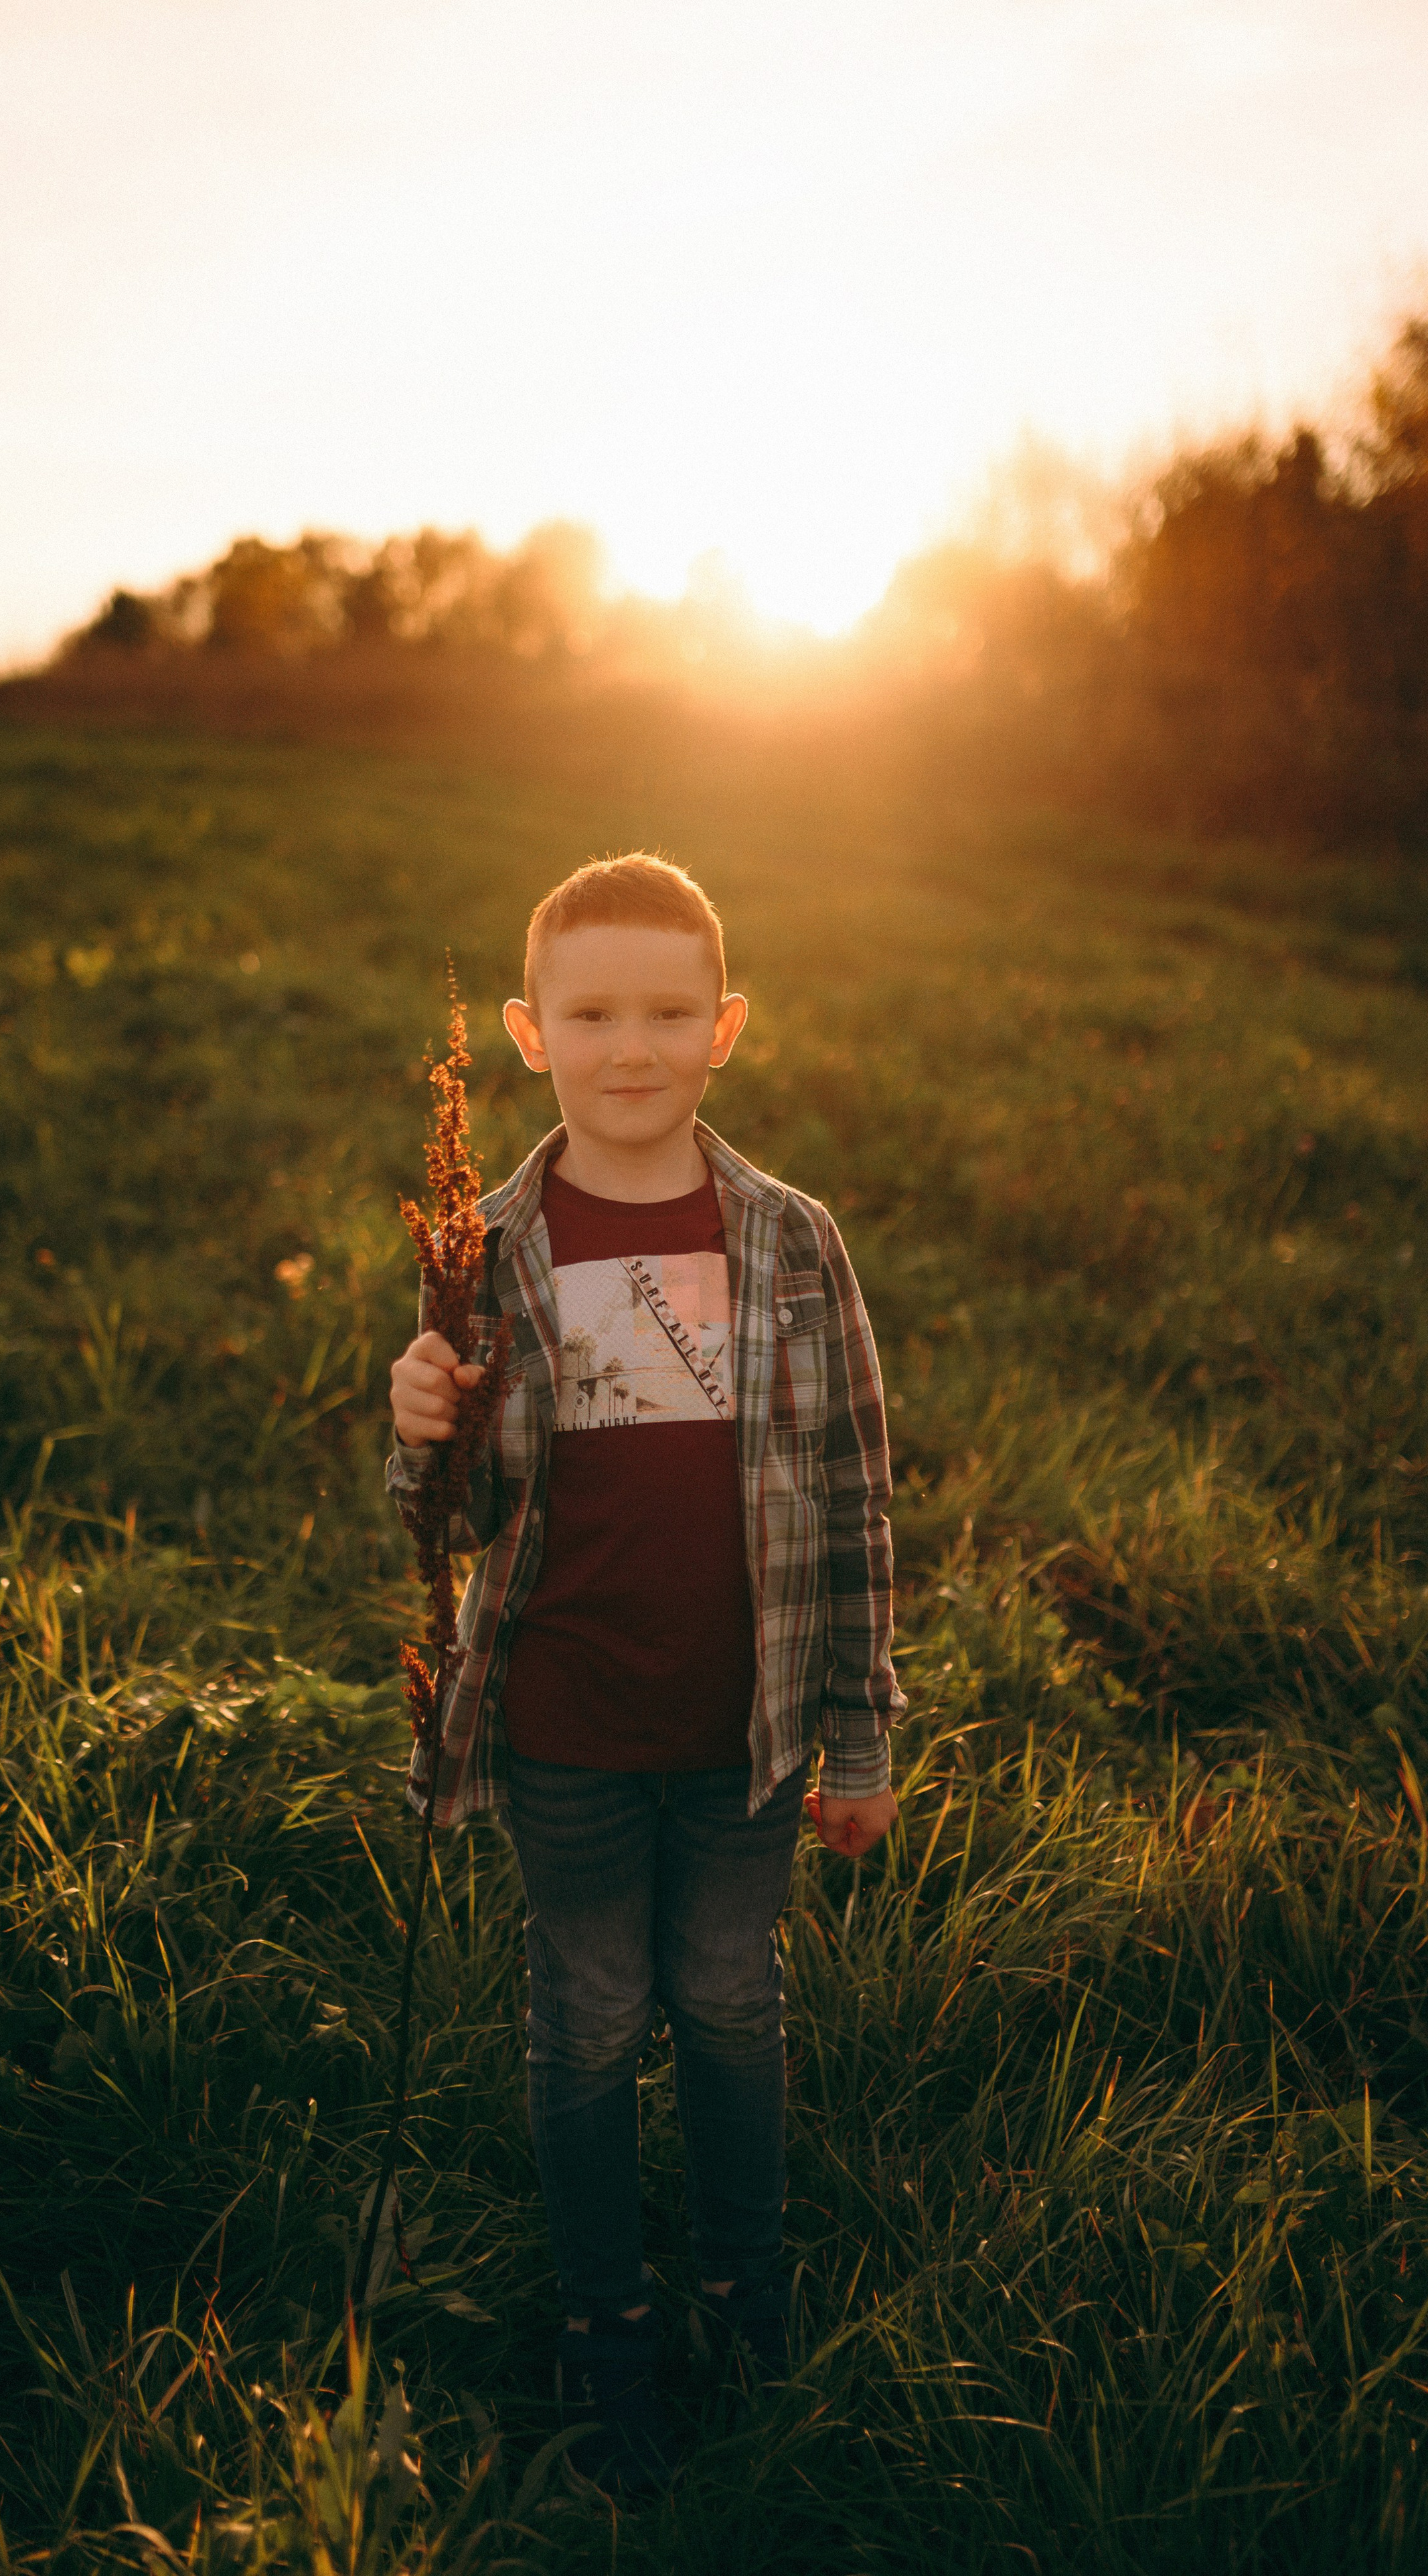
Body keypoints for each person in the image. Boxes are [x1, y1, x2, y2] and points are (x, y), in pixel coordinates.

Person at [387, 854, 903, 2494]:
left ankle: (744, 2289)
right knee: (591, 2014)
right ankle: (602, 2319)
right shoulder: (486, 1247)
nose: (631, 1048)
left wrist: (858, 1737)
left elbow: (850, 1495)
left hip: (744, 1727)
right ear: (528, 1033)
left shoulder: (789, 1241)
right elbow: (447, 1519)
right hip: (565, 1728)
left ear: (723, 1028)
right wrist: (416, 1425)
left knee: (730, 1998)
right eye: (594, 1014)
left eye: (668, 1014)